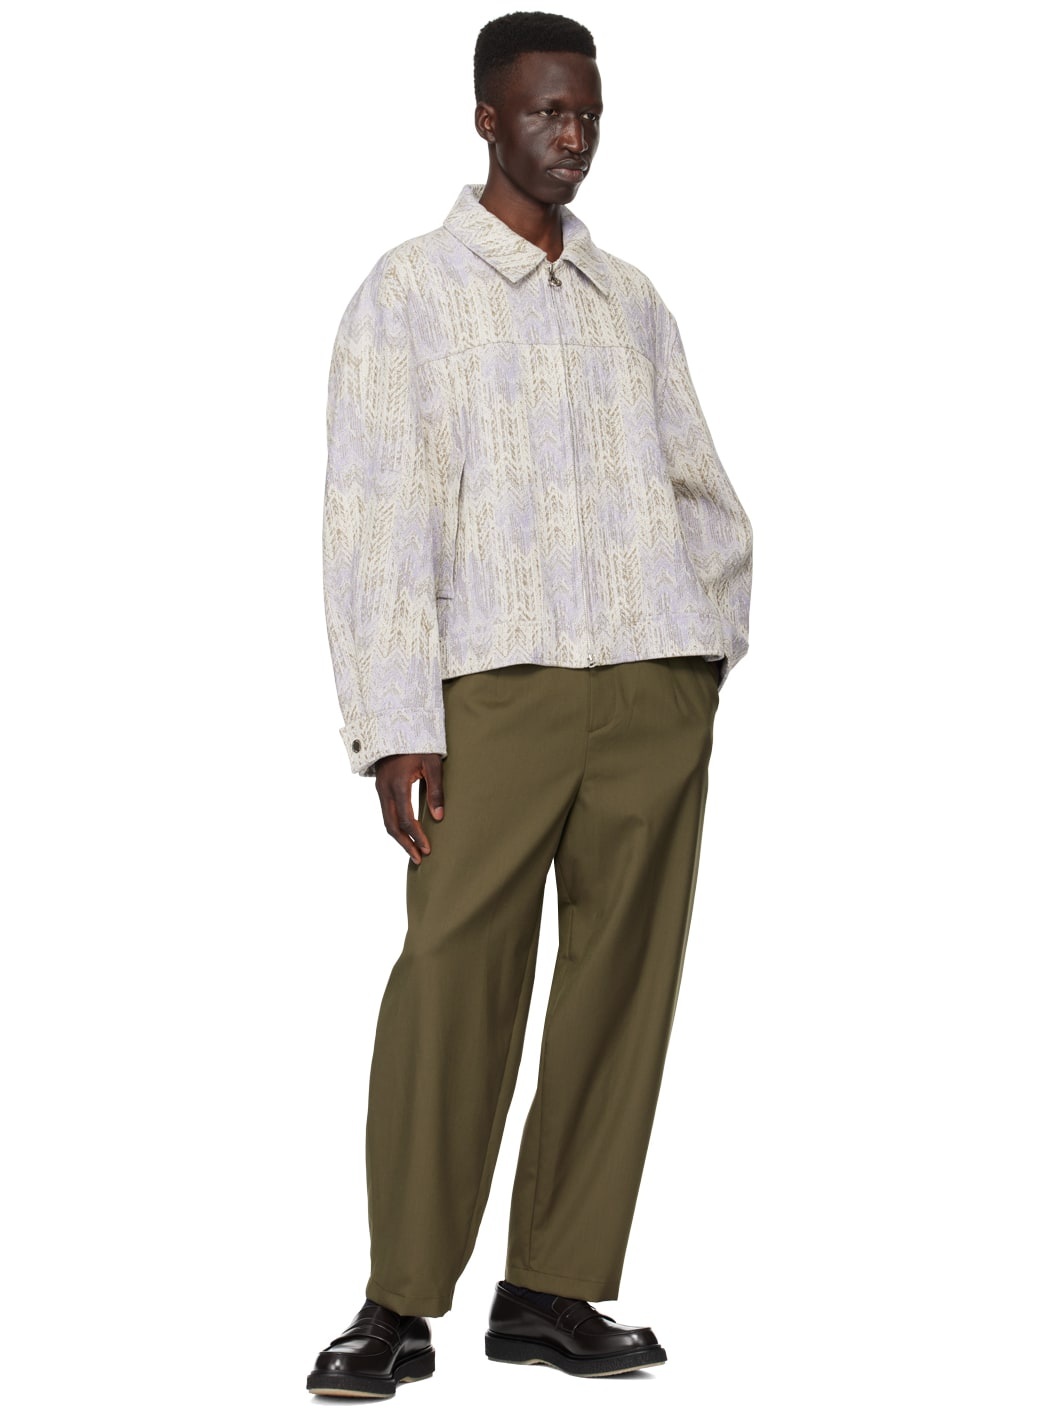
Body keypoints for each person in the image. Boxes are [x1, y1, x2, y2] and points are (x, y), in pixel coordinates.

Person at [307, 9, 753, 1398]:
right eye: (549, 111)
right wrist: (395, 723)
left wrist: (701, 654)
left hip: (650, 686)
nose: (575, 135)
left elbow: (700, 481)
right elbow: (374, 518)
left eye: (589, 113)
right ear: (488, 119)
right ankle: (396, 1303)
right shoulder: (411, 291)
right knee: (453, 981)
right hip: (491, 696)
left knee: (622, 988)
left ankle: (552, 1287)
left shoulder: (631, 300)